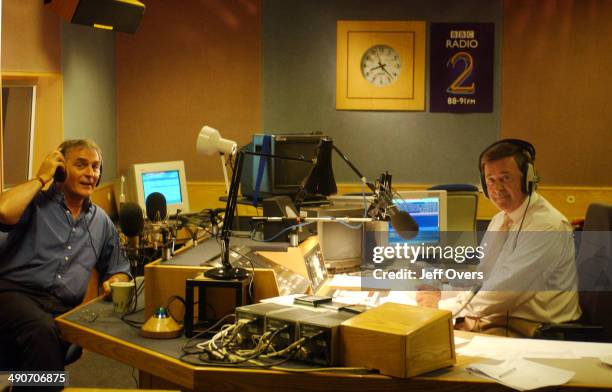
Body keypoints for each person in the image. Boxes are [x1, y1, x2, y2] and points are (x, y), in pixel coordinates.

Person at [417, 139, 581, 337]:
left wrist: (441, 307)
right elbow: (484, 281)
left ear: (527, 179)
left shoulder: (546, 226)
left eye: (505, 178)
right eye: (491, 180)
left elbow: (503, 293)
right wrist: (440, 292)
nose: (497, 188)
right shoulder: (499, 220)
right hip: (500, 319)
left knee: (431, 340)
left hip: (535, 331)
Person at [0, 139, 131, 371]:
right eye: (81, 165)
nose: (91, 173)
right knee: (42, 331)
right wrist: (41, 177)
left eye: (95, 167)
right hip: (15, 293)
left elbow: (119, 269)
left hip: (63, 307)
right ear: (60, 170)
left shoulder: (101, 221)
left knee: (50, 338)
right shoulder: (34, 202)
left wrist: (115, 281)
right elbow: (3, 211)